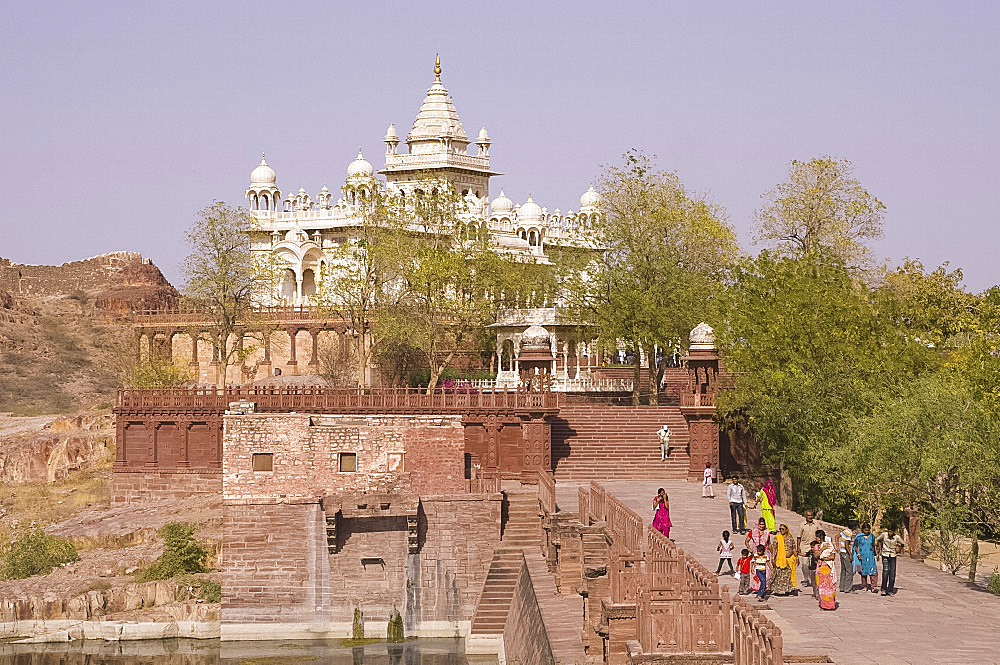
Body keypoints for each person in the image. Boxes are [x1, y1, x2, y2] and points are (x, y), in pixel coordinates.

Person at [876, 526, 905, 595]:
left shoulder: (897, 537)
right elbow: (878, 540)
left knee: (892, 573)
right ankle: (883, 588)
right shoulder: (884, 535)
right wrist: (879, 549)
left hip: (893, 555)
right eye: (889, 531)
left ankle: (890, 589)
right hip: (885, 554)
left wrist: (899, 550)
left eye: (891, 531)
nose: (890, 533)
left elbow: (903, 543)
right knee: (885, 571)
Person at [796, 511, 820, 591]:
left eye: (811, 515)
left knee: (814, 564)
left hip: (814, 546)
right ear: (805, 516)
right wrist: (798, 547)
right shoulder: (802, 525)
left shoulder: (816, 524)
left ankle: (813, 579)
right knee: (805, 564)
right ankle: (806, 579)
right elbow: (799, 537)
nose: (810, 517)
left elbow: (821, 534)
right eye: (808, 516)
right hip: (804, 546)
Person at [814, 529, 837, 610]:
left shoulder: (830, 545)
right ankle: (823, 605)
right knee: (822, 588)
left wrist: (824, 558)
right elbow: (816, 556)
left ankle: (830, 605)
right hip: (821, 569)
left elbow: (833, 556)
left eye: (817, 537)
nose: (816, 538)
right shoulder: (817, 546)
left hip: (828, 568)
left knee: (829, 587)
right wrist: (822, 549)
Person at [772, 523, 797, 595]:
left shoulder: (790, 538)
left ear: (786, 530)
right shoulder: (777, 538)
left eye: (783, 529)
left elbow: (794, 548)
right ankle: (779, 591)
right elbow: (774, 548)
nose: (781, 530)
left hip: (789, 560)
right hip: (780, 560)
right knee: (780, 576)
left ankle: (787, 590)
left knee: (788, 576)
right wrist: (773, 558)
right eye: (780, 529)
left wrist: (796, 557)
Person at [853, 523, 878, 593]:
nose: (866, 532)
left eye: (868, 530)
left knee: (873, 571)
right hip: (862, 556)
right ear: (862, 530)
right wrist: (858, 554)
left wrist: (876, 554)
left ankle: (874, 586)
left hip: (870, 555)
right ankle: (864, 585)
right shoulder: (859, 537)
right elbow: (856, 546)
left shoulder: (872, 536)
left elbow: (873, 545)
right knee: (863, 571)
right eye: (865, 530)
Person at [837, 523, 855, 593]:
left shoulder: (845, 531)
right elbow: (846, 544)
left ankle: (842, 587)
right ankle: (848, 588)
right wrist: (850, 554)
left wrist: (837, 546)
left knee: (843, 570)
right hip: (845, 552)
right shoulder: (849, 533)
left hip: (841, 552)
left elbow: (837, 536)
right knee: (849, 571)